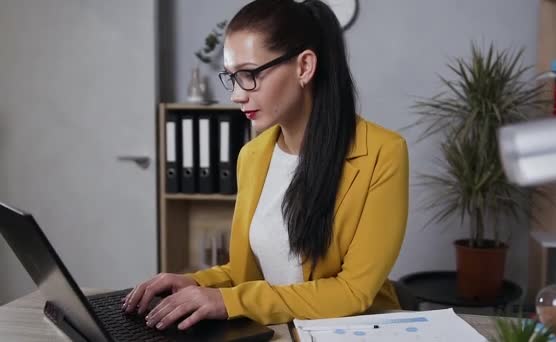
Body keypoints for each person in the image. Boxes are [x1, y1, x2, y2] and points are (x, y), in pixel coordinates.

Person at [122, 0, 409, 329]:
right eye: (232, 77)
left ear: (304, 67)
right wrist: (198, 284)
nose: (236, 95)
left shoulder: (383, 154)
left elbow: (353, 291)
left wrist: (229, 301)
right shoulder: (252, 156)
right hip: (274, 330)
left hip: (351, 330)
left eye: (249, 74)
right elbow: (255, 270)